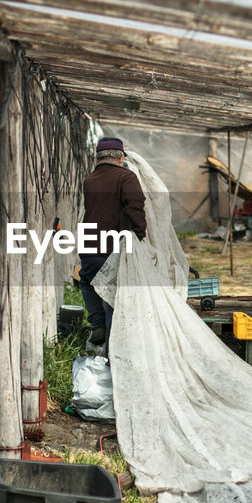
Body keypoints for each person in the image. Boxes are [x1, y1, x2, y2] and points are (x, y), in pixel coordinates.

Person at [78, 137, 146, 347]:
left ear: (97, 158)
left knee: (87, 280)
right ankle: (111, 350)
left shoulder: (89, 180)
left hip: (90, 245)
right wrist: (140, 234)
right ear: (121, 158)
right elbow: (135, 205)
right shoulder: (126, 177)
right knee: (112, 297)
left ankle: (97, 323)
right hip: (113, 247)